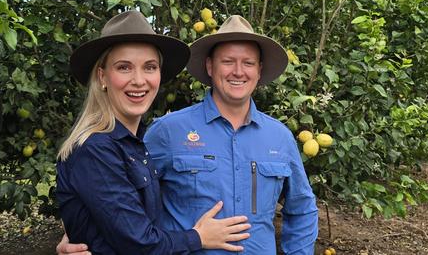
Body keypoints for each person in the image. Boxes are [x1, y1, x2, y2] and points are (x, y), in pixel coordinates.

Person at [57, 15, 318, 255]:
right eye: (227, 61)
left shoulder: (280, 137)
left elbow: (303, 208)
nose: (238, 71)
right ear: (209, 66)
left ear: (259, 70)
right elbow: (115, 194)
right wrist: (77, 235)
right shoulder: (168, 131)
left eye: (248, 63)